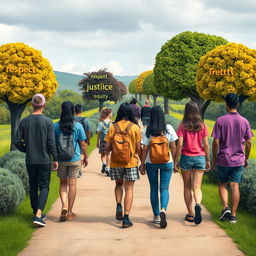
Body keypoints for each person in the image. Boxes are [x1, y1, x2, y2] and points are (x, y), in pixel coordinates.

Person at [15, 94, 58, 227]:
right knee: (44, 186)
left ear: (32, 105)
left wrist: (26, 149)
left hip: (31, 160)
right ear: (43, 105)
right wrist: (55, 158)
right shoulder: (47, 121)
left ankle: (36, 213)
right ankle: (39, 214)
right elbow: (51, 142)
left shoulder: (25, 121)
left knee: (33, 185)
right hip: (44, 160)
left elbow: (16, 141)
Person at [212, 93, 253, 223]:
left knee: (222, 184)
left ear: (226, 104)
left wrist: (214, 157)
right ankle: (233, 216)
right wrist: (245, 158)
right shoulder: (245, 121)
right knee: (235, 186)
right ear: (238, 104)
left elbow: (216, 142)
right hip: (238, 160)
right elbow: (249, 142)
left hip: (223, 159)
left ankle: (225, 207)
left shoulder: (220, 120)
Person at [105, 103, 142, 228]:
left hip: (116, 162)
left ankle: (118, 205)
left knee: (118, 184)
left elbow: (107, 147)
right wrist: (139, 160)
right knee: (129, 188)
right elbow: (138, 148)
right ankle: (126, 217)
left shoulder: (112, 127)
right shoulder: (135, 128)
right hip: (130, 162)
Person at [140, 106, 177, 228]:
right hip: (167, 162)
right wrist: (176, 161)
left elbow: (144, 149)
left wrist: (142, 164)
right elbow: (174, 146)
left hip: (152, 163)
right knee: (164, 188)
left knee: (154, 189)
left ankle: (156, 216)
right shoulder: (169, 128)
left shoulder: (148, 130)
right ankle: (163, 210)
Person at [174, 101, 210, 225]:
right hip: (200, 157)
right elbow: (206, 143)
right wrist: (208, 160)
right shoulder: (202, 125)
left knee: (187, 187)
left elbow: (179, 144)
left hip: (186, 157)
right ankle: (198, 204)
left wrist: (176, 160)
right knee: (197, 187)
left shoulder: (182, 125)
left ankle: (190, 213)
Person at [54, 101, 88, 222]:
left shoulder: (56, 126)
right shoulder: (77, 125)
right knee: (72, 184)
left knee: (63, 184)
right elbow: (83, 144)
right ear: (73, 111)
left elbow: (52, 144)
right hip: (74, 159)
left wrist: (54, 158)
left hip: (61, 160)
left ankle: (64, 206)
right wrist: (86, 157)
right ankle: (69, 212)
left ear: (62, 110)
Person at [74, 104, 91, 177]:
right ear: (82, 111)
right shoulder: (85, 120)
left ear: (74, 111)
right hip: (82, 139)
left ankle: (77, 170)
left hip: (74, 139)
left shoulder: (72, 119)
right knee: (81, 155)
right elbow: (88, 131)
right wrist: (88, 139)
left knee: (75, 154)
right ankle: (79, 169)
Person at [96, 108, 112, 176]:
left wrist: (97, 141)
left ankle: (104, 163)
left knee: (103, 154)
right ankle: (108, 168)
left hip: (103, 140)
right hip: (109, 141)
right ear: (109, 114)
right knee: (108, 154)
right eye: (111, 113)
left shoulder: (100, 123)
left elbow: (99, 133)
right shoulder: (111, 123)